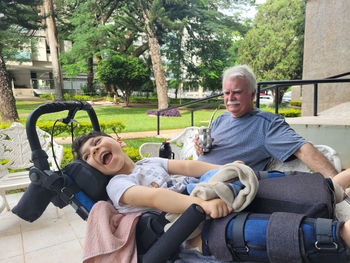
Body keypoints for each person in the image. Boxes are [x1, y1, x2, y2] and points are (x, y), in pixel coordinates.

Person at [71, 131, 350, 255]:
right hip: (186, 222)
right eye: (88, 155)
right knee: (249, 230)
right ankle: (339, 234)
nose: (94, 151)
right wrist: (198, 205)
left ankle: (332, 187)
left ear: (116, 141)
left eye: (97, 142)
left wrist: (225, 167)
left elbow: (189, 165)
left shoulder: (149, 162)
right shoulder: (116, 185)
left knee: (259, 181)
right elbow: (154, 198)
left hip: (202, 195)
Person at [194, 65, 338, 178]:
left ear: (252, 94)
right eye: (226, 92)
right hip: (190, 178)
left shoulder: (267, 124)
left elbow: (303, 149)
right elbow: (211, 151)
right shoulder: (221, 119)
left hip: (215, 189)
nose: (230, 97)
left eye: (237, 92)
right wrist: (199, 147)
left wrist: (335, 181)